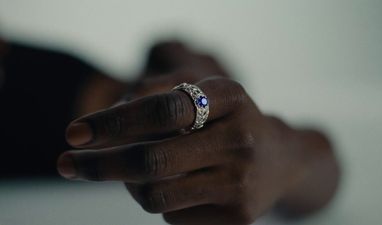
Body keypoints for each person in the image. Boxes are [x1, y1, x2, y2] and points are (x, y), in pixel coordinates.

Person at [0, 37, 340, 224]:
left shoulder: (112, 153)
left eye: (215, 64)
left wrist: (283, 152)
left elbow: (326, 166)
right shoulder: (83, 72)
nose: (188, 44)